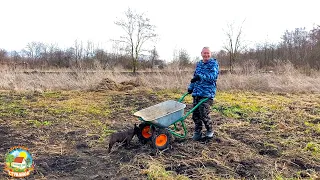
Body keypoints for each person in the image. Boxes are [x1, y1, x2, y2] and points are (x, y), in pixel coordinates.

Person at [188, 47, 219, 141]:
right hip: (197, 92)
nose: (206, 55)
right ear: (201, 53)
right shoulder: (199, 64)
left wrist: (200, 77)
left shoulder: (213, 64)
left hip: (207, 93)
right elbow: (195, 77)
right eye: (204, 53)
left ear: (210, 54)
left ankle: (210, 131)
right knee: (195, 115)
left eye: (208, 53)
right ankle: (198, 133)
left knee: (203, 113)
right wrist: (191, 87)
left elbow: (213, 76)